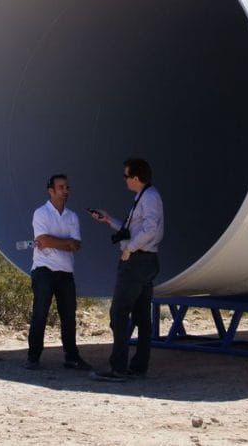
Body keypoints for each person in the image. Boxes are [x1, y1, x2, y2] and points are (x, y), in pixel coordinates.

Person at [88, 158, 164, 382]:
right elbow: (135, 228)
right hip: (147, 261)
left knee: (118, 313)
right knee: (142, 315)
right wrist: (109, 220)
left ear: (136, 178)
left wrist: (129, 249)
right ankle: (139, 366)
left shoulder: (149, 197)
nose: (124, 180)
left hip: (137, 262)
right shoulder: (146, 196)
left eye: (126, 176)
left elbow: (149, 229)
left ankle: (118, 368)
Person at [25, 174, 91, 371]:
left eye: (67, 187)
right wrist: (65, 243)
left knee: (69, 316)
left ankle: (72, 357)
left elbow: (76, 244)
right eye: (61, 187)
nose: (65, 191)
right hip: (44, 270)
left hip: (65, 271)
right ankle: (33, 357)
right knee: (40, 314)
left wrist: (55, 242)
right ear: (51, 191)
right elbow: (43, 240)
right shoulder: (41, 213)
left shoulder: (72, 216)